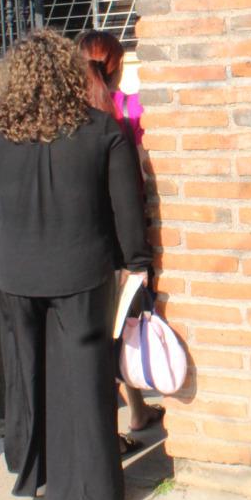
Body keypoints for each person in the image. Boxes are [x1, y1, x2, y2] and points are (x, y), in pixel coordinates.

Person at [0, 30, 151, 500]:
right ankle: (81, 495)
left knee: (27, 377)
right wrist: (137, 262)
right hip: (82, 269)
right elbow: (125, 209)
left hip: (15, 272)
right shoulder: (102, 130)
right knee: (83, 382)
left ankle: (34, 474)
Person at [77, 30, 162, 448]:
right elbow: (137, 183)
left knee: (102, 334)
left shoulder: (69, 119)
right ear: (114, 70)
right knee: (121, 328)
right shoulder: (119, 117)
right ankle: (121, 423)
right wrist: (139, 258)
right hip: (118, 243)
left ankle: (136, 411)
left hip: (83, 243)